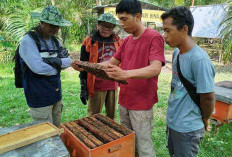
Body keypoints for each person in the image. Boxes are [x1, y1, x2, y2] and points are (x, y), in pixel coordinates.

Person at [102, 0, 165, 156]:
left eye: (124, 19)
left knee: (143, 146)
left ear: (137, 16)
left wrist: (126, 73)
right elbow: (110, 64)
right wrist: (85, 65)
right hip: (124, 100)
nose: (121, 24)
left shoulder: (154, 37)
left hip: (141, 103)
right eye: (120, 20)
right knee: (129, 143)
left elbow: (156, 68)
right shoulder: (127, 40)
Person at [161, 7, 215, 157]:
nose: (164, 35)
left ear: (184, 29)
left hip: (188, 127)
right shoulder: (177, 53)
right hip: (173, 121)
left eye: (168, 30)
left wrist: (205, 118)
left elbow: (208, 97)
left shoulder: (199, 59)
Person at [19, 5, 72, 127]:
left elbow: (68, 61)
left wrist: (53, 62)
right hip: (38, 96)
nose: (55, 29)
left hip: (55, 94)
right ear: (42, 22)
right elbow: (38, 68)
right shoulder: (28, 41)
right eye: (52, 25)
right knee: (44, 132)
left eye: (57, 26)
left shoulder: (55, 41)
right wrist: (58, 63)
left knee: (56, 127)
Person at [72, 13, 122, 120]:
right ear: (98, 25)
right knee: (93, 116)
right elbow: (84, 65)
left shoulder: (118, 41)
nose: (106, 29)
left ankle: (111, 135)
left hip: (113, 82)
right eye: (103, 25)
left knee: (112, 116)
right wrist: (83, 86)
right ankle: (91, 134)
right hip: (96, 84)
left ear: (113, 28)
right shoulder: (89, 41)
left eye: (110, 26)